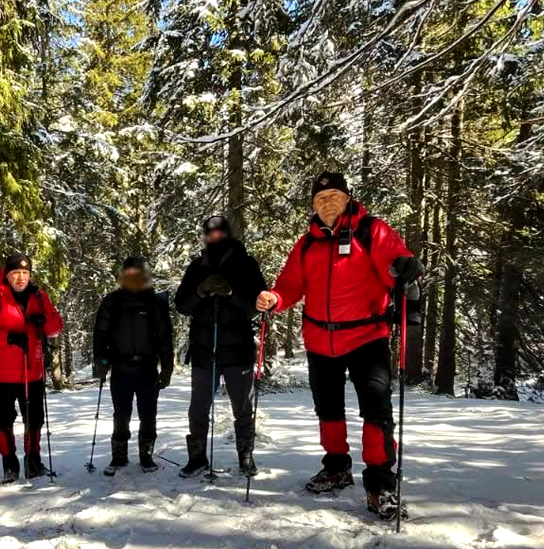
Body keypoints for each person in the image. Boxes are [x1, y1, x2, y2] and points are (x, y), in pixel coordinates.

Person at [256, 171, 422, 520]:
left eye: (333, 195)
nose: (326, 202)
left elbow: (395, 259)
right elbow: (290, 284)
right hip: (320, 340)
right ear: (313, 207)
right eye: (319, 198)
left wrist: (402, 266)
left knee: (376, 412)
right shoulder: (306, 244)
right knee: (328, 410)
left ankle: (380, 486)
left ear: (348, 198)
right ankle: (336, 468)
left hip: (367, 337)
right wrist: (275, 297)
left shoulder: (372, 230)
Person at [174, 215, 268, 479]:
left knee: (242, 408)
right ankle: (197, 458)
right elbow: (182, 305)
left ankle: (246, 457)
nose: (214, 237)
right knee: (198, 408)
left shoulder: (246, 264)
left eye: (219, 232)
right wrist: (201, 292)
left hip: (238, 351)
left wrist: (231, 293)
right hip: (204, 351)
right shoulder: (196, 267)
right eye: (210, 233)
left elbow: (257, 307)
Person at [0, 253, 64, 482]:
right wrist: (7, 338)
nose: (21, 278)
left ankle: (33, 461)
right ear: (7, 274)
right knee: (4, 419)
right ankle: (9, 464)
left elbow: (56, 326)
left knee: (35, 419)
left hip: (33, 371)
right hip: (0, 373)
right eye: (16, 273)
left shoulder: (39, 296)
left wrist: (43, 321)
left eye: (25, 273)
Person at [92, 257, 176, 475]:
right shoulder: (112, 301)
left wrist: (167, 368)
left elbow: (166, 337)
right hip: (120, 369)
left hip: (148, 369)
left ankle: (146, 456)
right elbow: (100, 334)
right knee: (121, 415)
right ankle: (118, 457)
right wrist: (100, 361)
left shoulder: (155, 302)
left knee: (148, 414)